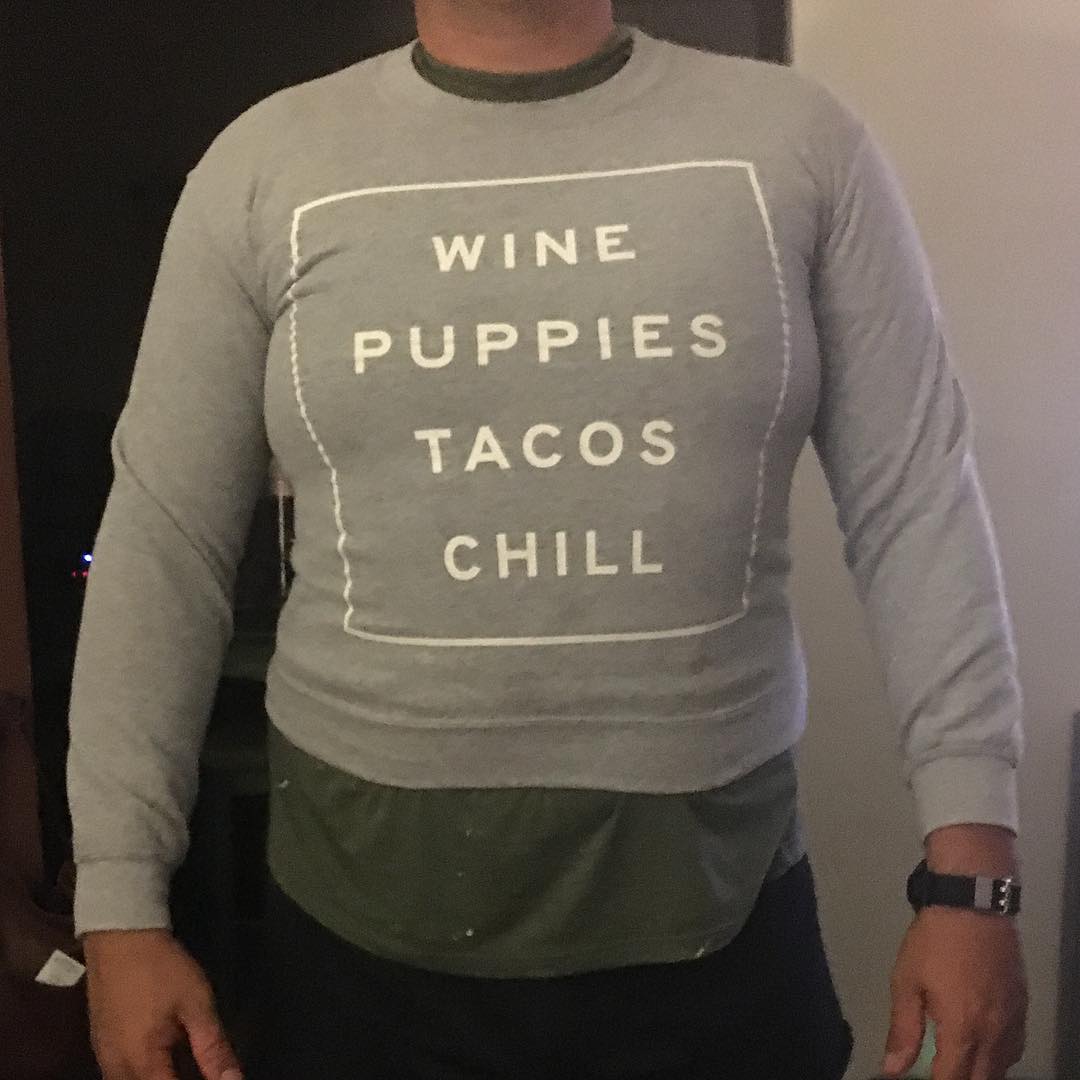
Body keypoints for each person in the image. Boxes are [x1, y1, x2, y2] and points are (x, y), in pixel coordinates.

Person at [67, 2, 1030, 1078]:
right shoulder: (265, 165)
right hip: (355, 944)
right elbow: (164, 539)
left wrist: (973, 877)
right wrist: (118, 901)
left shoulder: (798, 143)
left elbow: (917, 503)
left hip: (719, 926)